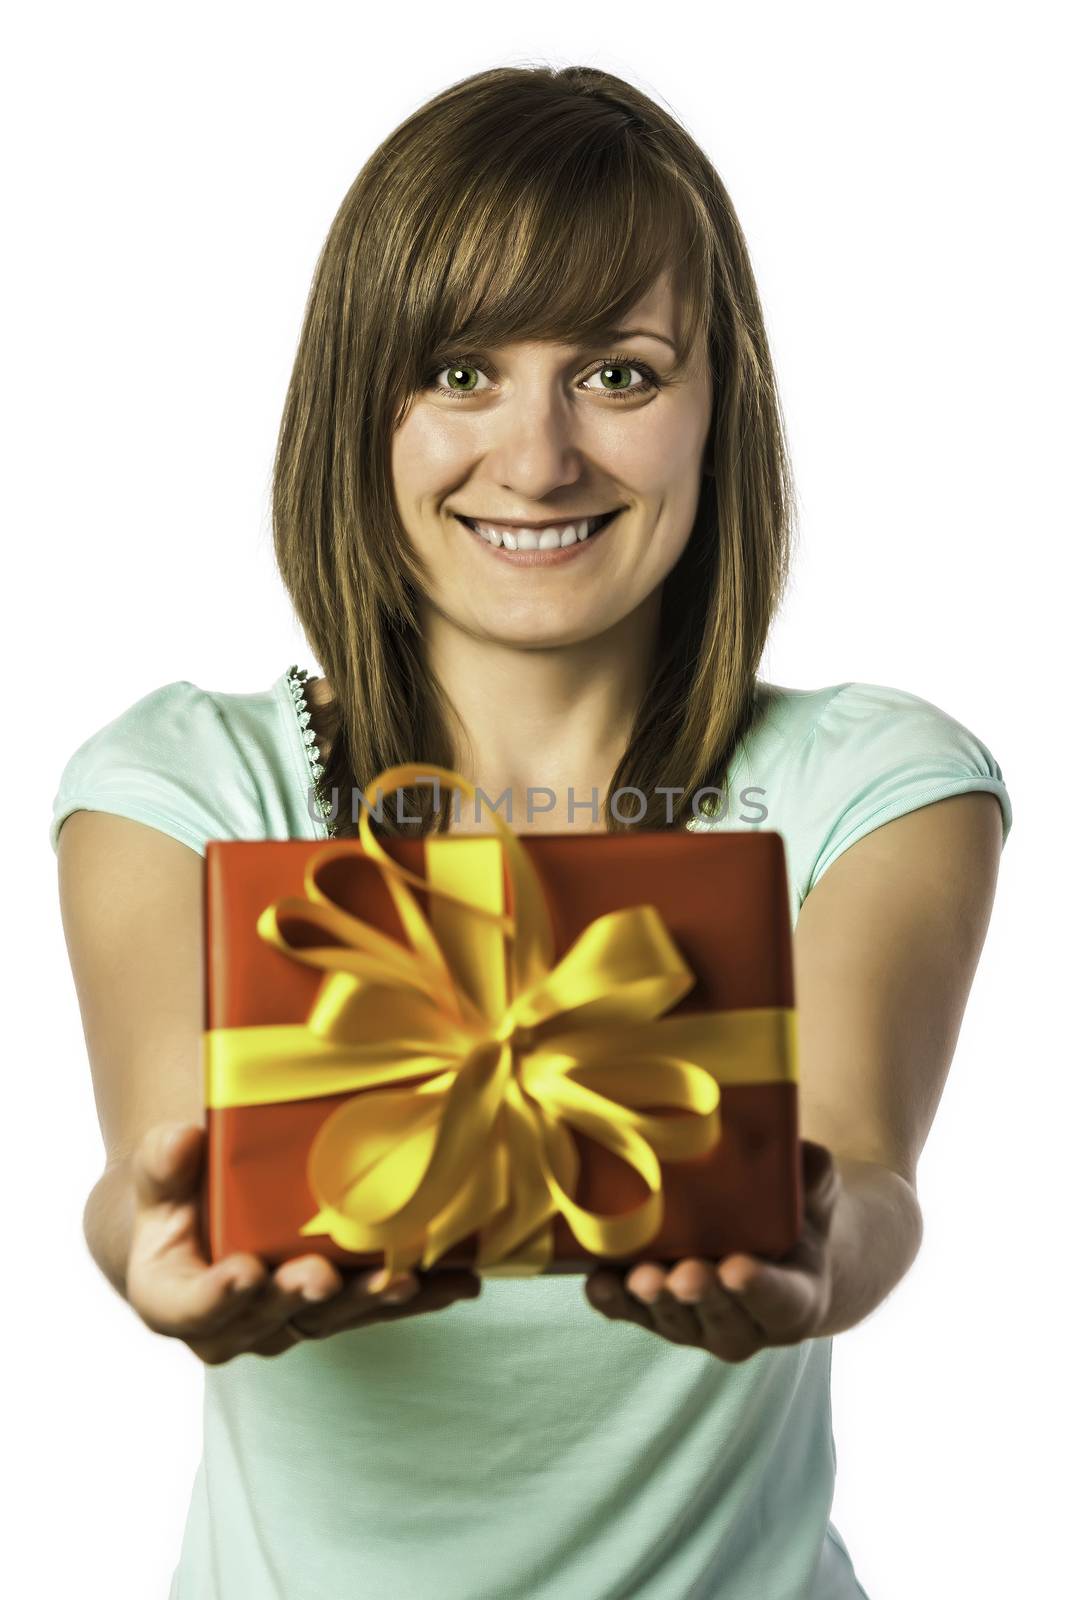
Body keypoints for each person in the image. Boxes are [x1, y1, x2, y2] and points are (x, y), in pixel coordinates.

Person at [51, 63, 1012, 1600]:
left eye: (621, 373)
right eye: (456, 371)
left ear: (720, 406)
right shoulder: (178, 783)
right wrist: (151, 1250)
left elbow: (867, 1169)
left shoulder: (878, 781)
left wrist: (824, 1255)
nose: (540, 456)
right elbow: (154, 1178)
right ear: (358, 401)